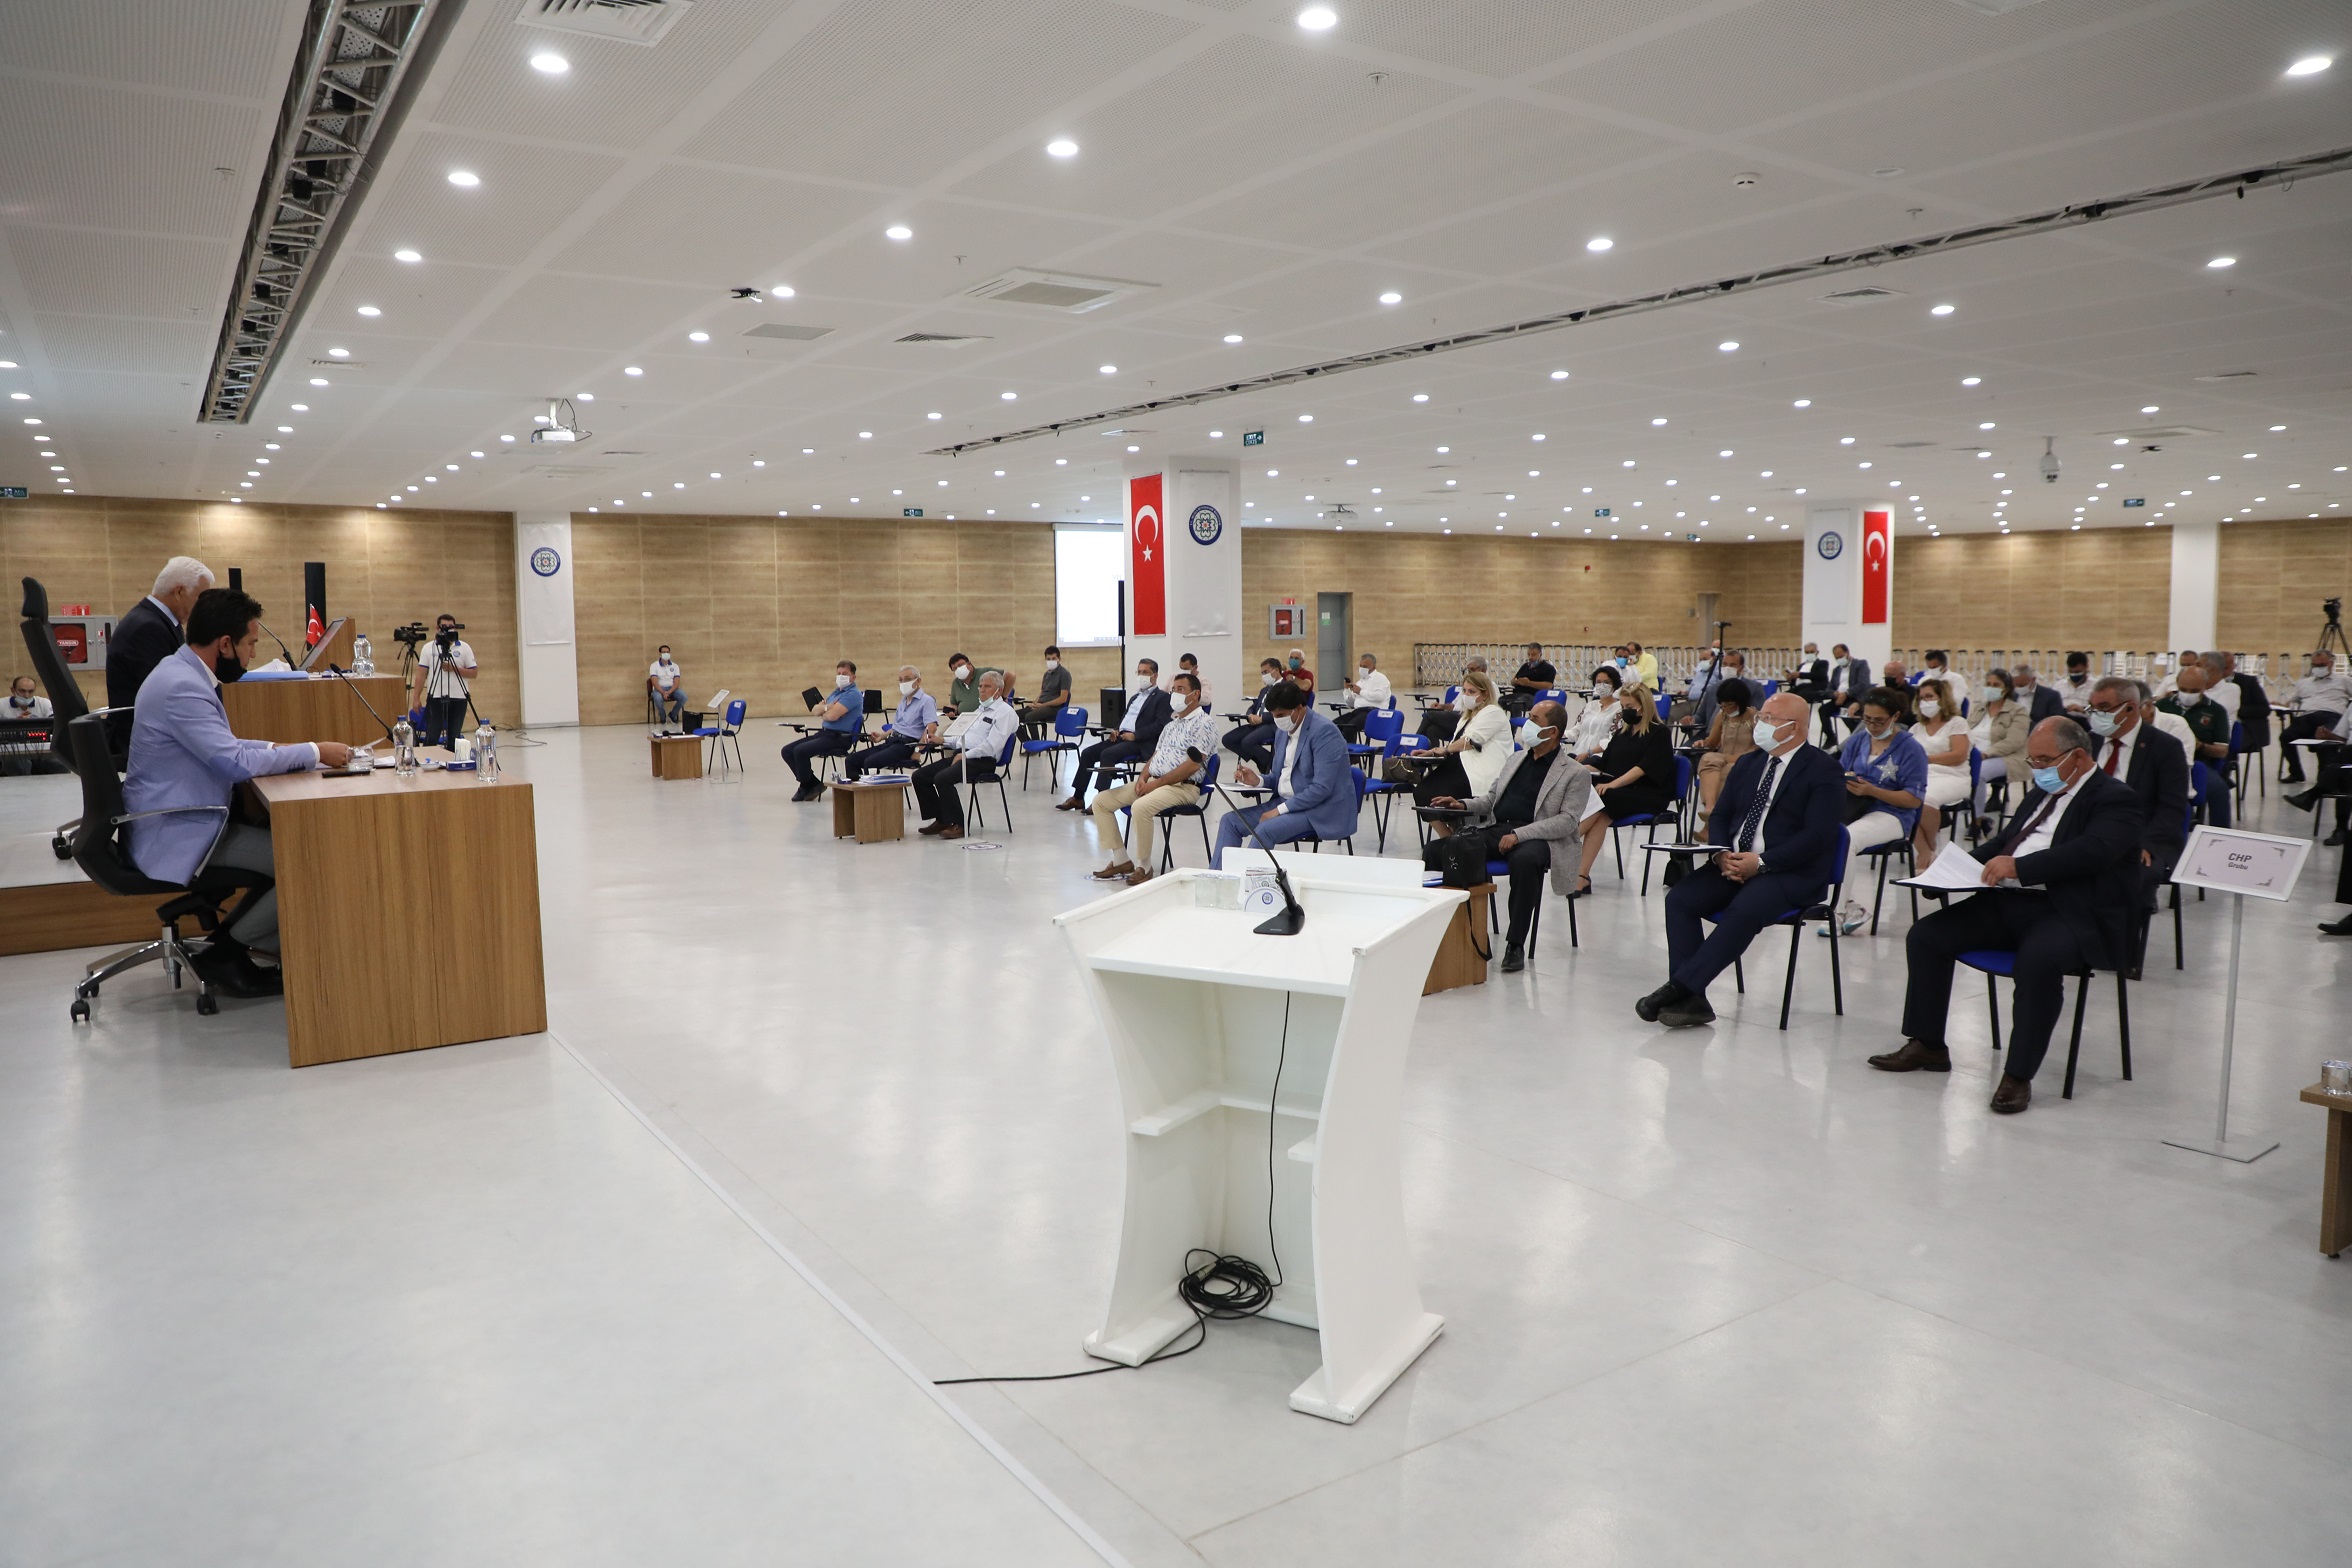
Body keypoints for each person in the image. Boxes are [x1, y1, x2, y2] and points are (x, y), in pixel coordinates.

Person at [1866, 717, 2147, 1115]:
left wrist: (2021, 867)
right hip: (2012, 901)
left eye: (2045, 760)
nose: (2038, 768)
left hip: (2070, 910)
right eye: (2033, 761)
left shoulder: (2116, 799)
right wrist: (1952, 869)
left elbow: (2092, 852)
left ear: (2078, 757)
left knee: (2038, 962)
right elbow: (2005, 841)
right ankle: (1928, 1044)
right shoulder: (2044, 791)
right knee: (1927, 935)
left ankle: (2018, 1074)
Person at [123, 587, 355, 998]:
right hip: (180, 827)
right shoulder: (182, 687)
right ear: (225, 644)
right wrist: (314, 751)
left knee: (292, 844)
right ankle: (227, 952)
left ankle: (228, 944)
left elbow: (224, 745)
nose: (252, 654)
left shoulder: (180, 671)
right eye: (250, 644)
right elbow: (231, 762)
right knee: (307, 856)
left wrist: (282, 749)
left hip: (185, 814)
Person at [1641, 693, 1845, 1028]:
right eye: (1760, 717)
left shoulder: (1824, 770)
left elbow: (1818, 836)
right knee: (1680, 899)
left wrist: (1761, 862)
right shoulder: (1750, 763)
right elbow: (1721, 815)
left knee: (1744, 909)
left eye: (1769, 719)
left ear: (1794, 728)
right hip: (1733, 863)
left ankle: (1679, 988)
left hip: (1790, 871)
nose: (1759, 724)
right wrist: (1721, 854)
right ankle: (1693, 999)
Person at [1423, 700, 1589, 973]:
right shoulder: (1515, 759)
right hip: (1498, 829)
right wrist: (1461, 804)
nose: (1527, 724)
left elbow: (1567, 822)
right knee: (1437, 850)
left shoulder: (1575, 773)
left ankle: (1515, 944)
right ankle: (1445, 931)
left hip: (1540, 838)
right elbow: (1491, 800)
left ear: (1552, 732)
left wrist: (1519, 834)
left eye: (1534, 719)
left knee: (1525, 861)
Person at [2085, 677, 2190, 949]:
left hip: (2143, 834)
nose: (2096, 715)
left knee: (2136, 874)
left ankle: (2123, 948)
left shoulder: (2165, 747)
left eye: (2104, 708)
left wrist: (2146, 843)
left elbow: (2172, 807)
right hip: (2091, 830)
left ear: (2130, 708)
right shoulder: (2089, 742)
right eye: (2092, 708)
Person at [1087, 673, 1220, 885]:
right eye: (1174, 689)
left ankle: (1144, 866)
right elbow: (1156, 755)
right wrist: (1143, 777)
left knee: (1140, 807)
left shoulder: (1204, 723)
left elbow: (1193, 765)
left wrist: (1156, 784)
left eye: (1181, 689)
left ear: (1195, 695)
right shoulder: (1171, 725)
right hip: (1154, 783)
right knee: (1101, 802)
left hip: (1183, 787)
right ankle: (1121, 859)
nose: (1175, 693)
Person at [1213, 681, 1356, 861]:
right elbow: (1280, 776)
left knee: (1264, 830)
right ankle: (1217, 876)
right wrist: (1258, 780)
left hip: (1319, 809)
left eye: (1281, 715)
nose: (1277, 720)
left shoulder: (1325, 732)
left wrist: (1278, 811)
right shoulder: (1282, 731)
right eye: (1273, 715)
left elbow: (1321, 788)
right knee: (1230, 821)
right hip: (1286, 802)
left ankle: (1248, 877)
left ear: (1299, 708)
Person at [1573, 681, 1674, 895]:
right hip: (1618, 794)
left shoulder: (1660, 733)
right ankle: (1581, 875)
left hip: (1648, 793)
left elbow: (1643, 768)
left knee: (1604, 798)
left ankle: (1564, 842)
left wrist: (1612, 784)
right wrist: (1576, 769)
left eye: (1630, 707)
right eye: (1623, 707)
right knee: (1601, 811)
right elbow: (1604, 763)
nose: (1625, 711)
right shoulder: (1622, 733)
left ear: (1644, 706)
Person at [106, 555, 214, 752]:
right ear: (179, 592)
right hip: (143, 743)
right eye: (201, 598)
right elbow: (170, 695)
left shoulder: (155, 621)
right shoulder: (147, 628)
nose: (203, 607)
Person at [913, 670, 1017, 841]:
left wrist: (966, 755)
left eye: (987, 686)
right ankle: (942, 819)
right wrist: (941, 740)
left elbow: (992, 746)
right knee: (920, 776)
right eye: (981, 686)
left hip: (982, 760)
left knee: (942, 778)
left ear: (999, 690)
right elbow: (963, 737)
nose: (982, 690)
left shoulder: (1005, 712)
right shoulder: (979, 710)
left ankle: (960, 825)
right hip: (963, 755)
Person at [1060, 658, 1169, 810]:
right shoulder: (1135, 697)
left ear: (1155, 676)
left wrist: (1136, 735)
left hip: (1139, 742)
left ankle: (1100, 801)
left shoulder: (1162, 697)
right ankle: (1078, 797)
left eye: (1145, 672)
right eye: (1139, 672)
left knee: (1108, 754)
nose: (1141, 675)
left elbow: (1160, 725)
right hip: (1120, 738)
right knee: (1087, 753)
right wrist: (1116, 729)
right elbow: (1125, 719)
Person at [1388, 669, 1508, 805]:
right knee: (1421, 792)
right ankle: (1449, 821)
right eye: (1465, 691)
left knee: (1434, 795)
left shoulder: (1493, 712)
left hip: (1480, 769)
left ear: (1485, 694)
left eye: (1472, 692)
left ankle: (1458, 818)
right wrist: (1431, 752)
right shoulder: (1465, 717)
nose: (1466, 695)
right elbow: (1454, 743)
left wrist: (1445, 750)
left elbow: (1471, 741)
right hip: (1459, 764)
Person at [1837, 690, 1928, 859]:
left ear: (1895, 716)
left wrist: (1872, 791)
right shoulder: (1857, 741)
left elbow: (1914, 800)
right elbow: (1838, 774)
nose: (1872, 726)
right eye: (1867, 719)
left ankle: (1836, 879)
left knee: (1846, 840)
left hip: (1892, 813)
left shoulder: (1911, 749)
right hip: (1852, 808)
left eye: (1879, 721)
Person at [2158, 663, 2231, 828]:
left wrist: (2201, 746)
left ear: (2205, 686)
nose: (2188, 694)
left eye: (2194, 691)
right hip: (2164, 761)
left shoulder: (2216, 711)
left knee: (2219, 790)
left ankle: (2221, 834)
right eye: (2183, 689)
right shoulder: (2162, 706)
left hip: (2199, 763)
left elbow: (2222, 751)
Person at [783, 660, 864, 800]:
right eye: (839, 673)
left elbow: (831, 716)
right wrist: (828, 708)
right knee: (787, 751)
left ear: (853, 677)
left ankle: (806, 785)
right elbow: (815, 709)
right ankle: (811, 782)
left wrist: (824, 710)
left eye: (845, 674)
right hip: (825, 733)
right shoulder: (836, 693)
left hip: (839, 737)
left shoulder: (853, 694)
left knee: (800, 751)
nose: (841, 676)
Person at [1911, 677, 1972, 860]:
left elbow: (1958, 755)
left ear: (1942, 698)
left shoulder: (1957, 723)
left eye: (1929, 696)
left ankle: (1927, 851)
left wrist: (1925, 759)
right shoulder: (1916, 728)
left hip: (1953, 776)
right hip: (1923, 776)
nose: (1925, 701)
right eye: (1921, 698)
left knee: (1926, 799)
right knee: (1903, 799)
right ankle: (1927, 852)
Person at [846, 666, 936, 778]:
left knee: (870, 762)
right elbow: (897, 726)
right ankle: (857, 789)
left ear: (918, 681)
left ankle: (872, 789)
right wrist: (882, 736)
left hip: (907, 745)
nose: (903, 683)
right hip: (893, 741)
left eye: (907, 679)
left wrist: (918, 750)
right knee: (851, 760)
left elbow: (931, 727)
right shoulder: (903, 701)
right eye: (901, 680)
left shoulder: (926, 701)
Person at [1968, 667, 2030, 821]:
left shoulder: (2018, 711)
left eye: (1996, 685)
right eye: (1988, 684)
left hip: (2006, 757)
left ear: (2006, 688)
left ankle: (1977, 820)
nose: (1991, 688)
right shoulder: (1979, 708)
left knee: (1978, 772)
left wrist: (1986, 753)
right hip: (1973, 753)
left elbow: (2014, 741)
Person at [1693, 677, 1757, 823]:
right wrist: (1703, 743)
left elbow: (1759, 748)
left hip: (1746, 761)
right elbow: (1712, 742)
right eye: (1723, 706)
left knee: (1727, 772)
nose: (1727, 709)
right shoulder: (1722, 716)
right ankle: (1710, 808)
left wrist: (1734, 758)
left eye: (1730, 705)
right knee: (1707, 759)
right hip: (1723, 759)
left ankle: (1711, 824)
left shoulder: (1755, 717)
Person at [2280, 651, 2352, 781]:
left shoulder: (2344, 680)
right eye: (2315, 665)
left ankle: (2325, 777)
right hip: (2306, 717)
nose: (2318, 668)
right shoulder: (2303, 683)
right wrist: (2280, 705)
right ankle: (2296, 772)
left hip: (2331, 716)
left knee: (2327, 739)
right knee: (2285, 736)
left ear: (2331, 664)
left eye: (2322, 665)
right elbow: (2290, 701)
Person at [410, 613, 478, 748]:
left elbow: (474, 673)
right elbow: (421, 675)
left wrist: (454, 669)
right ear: (437, 628)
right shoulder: (428, 647)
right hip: (435, 698)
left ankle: (452, 759)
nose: (447, 630)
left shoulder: (464, 647)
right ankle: (428, 758)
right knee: (432, 735)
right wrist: (416, 698)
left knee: (454, 737)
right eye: (444, 627)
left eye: (450, 627)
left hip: (459, 698)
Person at [1226, 659, 1285, 769]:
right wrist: (1250, 715)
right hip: (1257, 723)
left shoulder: (1285, 688)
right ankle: (1264, 762)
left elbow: (1283, 710)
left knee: (1247, 742)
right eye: (1262, 673)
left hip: (1273, 724)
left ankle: (1268, 765)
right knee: (1228, 739)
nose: (1264, 675)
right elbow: (1254, 706)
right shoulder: (1264, 690)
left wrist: (1262, 718)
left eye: (1266, 672)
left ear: (1276, 670)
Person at [3, 675, 61, 776]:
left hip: (42, 749)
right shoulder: (1, 705)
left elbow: (55, 724)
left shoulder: (44, 703)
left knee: (58, 764)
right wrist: (17, 724)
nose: (27, 695)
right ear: (13, 690)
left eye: (31, 691)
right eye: (22, 691)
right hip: (12, 751)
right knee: (17, 764)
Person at [1333, 652, 1391, 742]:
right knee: (1334, 725)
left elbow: (1380, 696)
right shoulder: (1360, 682)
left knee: (1349, 728)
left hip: (1373, 712)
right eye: (1360, 666)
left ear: (1373, 667)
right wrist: (1347, 690)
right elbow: (1351, 703)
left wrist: (1360, 691)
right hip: (1358, 711)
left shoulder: (1380, 678)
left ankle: (1351, 750)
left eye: (1365, 666)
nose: (1362, 668)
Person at [1571, 665, 1622, 761]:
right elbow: (1576, 730)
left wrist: (1589, 752)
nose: (1602, 685)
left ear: (1614, 684)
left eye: (1606, 682)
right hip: (1579, 752)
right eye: (1598, 682)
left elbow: (1613, 739)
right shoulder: (1590, 705)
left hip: (1600, 755)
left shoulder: (1619, 708)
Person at [1017, 646, 1071, 732]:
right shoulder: (1046, 674)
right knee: (1014, 716)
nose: (1051, 661)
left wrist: (1043, 705)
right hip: (1041, 705)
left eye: (1053, 658)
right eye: (1048, 659)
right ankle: (1026, 739)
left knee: (1030, 717)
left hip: (1054, 708)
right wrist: (1035, 704)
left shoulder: (1064, 674)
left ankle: (1036, 740)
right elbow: (1042, 692)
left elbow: (1063, 699)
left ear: (1059, 659)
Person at [1824, 643, 1872, 740]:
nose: (1839, 659)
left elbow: (1863, 684)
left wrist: (1846, 693)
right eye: (1837, 658)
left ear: (1847, 653)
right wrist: (1834, 693)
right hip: (1838, 699)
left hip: (1854, 698)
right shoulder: (1836, 670)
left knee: (1846, 713)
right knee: (1823, 711)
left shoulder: (1861, 664)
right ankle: (1831, 738)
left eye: (1841, 656)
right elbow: (1829, 688)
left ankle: (1857, 737)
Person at [942, 653, 998, 717]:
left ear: (969, 664)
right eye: (955, 668)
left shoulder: (985, 672)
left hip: (988, 717)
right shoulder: (956, 683)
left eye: (960, 665)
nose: (958, 669)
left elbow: (1007, 676)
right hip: (965, 720)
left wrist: (1004, 696)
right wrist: (952, 711)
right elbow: (954, 704)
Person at [647, 645, 687, 727]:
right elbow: (654, 682)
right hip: (659, 689)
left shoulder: (675, 666)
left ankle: (673, 714)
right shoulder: (654, 666)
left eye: (667, 652)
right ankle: (662, 716)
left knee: (683, 696)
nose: (666, 654)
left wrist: (669, 692)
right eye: (664, 652)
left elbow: (676, 682)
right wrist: (663, 692)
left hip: (672, 689)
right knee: (658, 698)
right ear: (660, 653)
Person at [1508, 643, 1555, 710]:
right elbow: (1512, 681)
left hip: (1533, 696)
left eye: (1533, 654)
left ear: (1540, 654)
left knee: (1517, 703)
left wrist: (1529, 683)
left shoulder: (1548, 668)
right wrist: (1517, 682)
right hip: (1518, 694)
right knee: (1500, 701)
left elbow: (1548, 686)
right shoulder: (1525, 666)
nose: (1530, 657)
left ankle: (1516, 716)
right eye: (1529, 654)